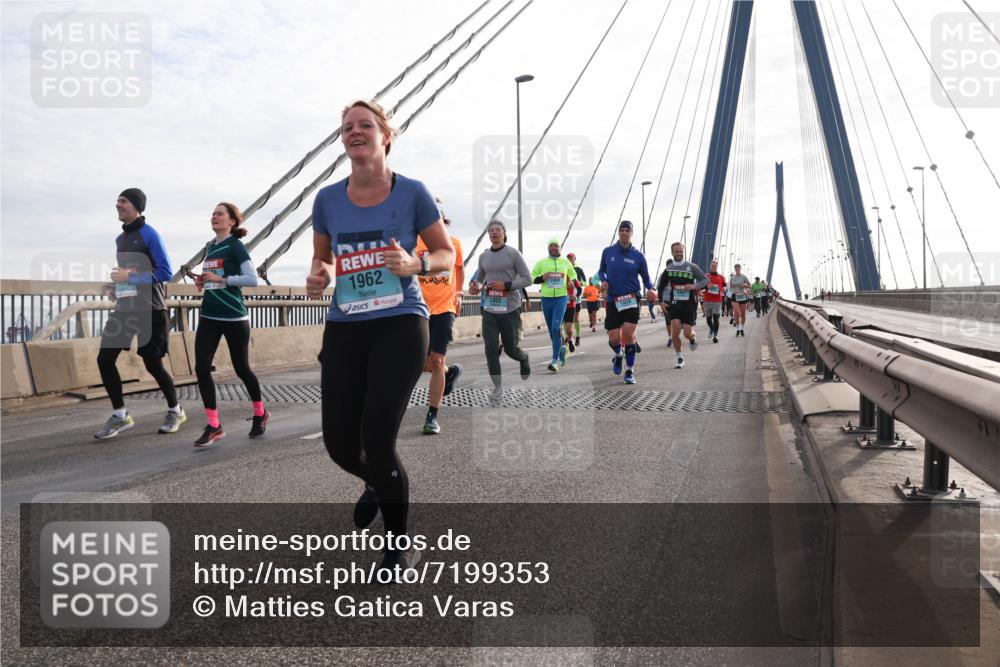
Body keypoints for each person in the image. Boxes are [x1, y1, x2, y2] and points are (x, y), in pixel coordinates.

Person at [307, 99, 455, 576]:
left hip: (400, 322)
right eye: (347, 126)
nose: (355, 131)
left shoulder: (411, 192)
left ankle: (398, 546)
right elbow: (324, 259)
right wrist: (319, 275)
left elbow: (445, 253)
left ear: (385, 136)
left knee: (377, 434)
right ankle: (377, 482)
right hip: (346, 324)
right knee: (339, 445)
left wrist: (416, 264)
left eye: (365, 125)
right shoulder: (327, 200)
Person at [95, 189, 186, 440]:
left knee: (153, 364)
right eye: (117, 201)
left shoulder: (150, 234)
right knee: (104, 360)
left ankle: (175, 410)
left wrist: (130, 277)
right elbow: (129, 274)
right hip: (125, 307)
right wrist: (117, 287)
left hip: (151, 309)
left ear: (136, 207)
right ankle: (120, 416)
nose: (117, 205)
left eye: (122, 201)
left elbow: (165, 272)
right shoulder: (119, 240)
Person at [190, 202, 268, 447]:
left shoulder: (236, 247)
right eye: (212, 213)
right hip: (209, 316)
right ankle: (214, 425)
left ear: (232, 221)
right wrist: (205, 282)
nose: (214, 217)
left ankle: (260, 412)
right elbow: (215, 279)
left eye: (219, 214)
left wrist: (222, 279)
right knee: (202, 368)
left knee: (242, 369)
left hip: (234, 317)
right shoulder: (211, 247)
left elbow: (252, 280)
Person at [469, 220, 532, 400]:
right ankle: (497, 387)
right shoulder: (484, 257)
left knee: (511, 349)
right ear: (489, 235)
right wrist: (475, 287)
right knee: (490, 349)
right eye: (492, 230)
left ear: (504, 234)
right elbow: (480, 279)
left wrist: (507, 285)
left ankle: (523, 358)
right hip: (490, 309)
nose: (494, 233)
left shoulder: (513, 253)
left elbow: (528, 279)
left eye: (498, 230)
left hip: (510, 308)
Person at [416, 213, 464, 435]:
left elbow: (459, 269)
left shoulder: (453, 244)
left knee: (436, 361)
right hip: (418, 308)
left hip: (445, 308)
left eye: (440, 221)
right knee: (421, 364)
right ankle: (449, 373)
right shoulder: (414, 243)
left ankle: (432, 416)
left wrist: (459, 292)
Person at [598, 220, 656, 385]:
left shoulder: (638, 256)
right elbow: (601, 270)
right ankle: (618, 354)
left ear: (631, 233)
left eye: (627, 230)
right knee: (614, 338)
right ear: (618, 233)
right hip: (613, 299)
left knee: (629, 335)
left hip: (631, 298)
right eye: (622, 230)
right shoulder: (608, 252)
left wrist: (651, 288)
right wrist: (604, 280)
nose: (624, 233)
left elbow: (646, 277)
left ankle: (629, 370)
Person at [657, 242, 708, 369]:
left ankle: (692, 337)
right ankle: (680, 357)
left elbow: (706, 280)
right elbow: (661, 287)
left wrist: (694, 286)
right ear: (672, 252)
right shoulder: (668, 269)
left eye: (681, 251)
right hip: (674, 304)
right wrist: (661, 301)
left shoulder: (691, 267)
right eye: (676, 251)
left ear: (683, 252)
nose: (679, 254)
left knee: (686, 333)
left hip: (689, 304)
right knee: (675, 330)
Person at [531, 239, 575, 372]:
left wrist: (571, 283)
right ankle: (562, 348)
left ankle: (554, 361)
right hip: (546, 299)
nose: (554, 248)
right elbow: (531, 277)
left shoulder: (565, 262)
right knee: (552, 332)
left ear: (560, 248)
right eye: (551, 246)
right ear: (548, 248)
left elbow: (573, 276)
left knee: (556, 328)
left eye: (556, 246)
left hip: (561, 299)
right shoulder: (542, 263)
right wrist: (541, 278)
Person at [702, 259, 727, 343]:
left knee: (716, 317)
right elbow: (701, 287)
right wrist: (707, 287)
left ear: (717, 267)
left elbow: (724, 287)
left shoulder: (721, 277)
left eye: (715, 266)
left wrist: (724, 289)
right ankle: (712, 329)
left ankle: (715, 335)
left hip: (717, 300)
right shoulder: (706, 276)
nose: (713, 267)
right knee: (708, 319)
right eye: (712, 265)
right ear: (710, 266)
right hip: (707, 300)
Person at [566, 252, 587, 347]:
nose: (569, 260)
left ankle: (578, 336)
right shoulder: (564, 269)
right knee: (566, 320)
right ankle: (568, 336)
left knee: (576, 318)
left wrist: (579, 282)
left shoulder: (579, 270)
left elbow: (586, 282)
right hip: (566, 297)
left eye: (571, 258)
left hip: (576, 297)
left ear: (574, 259)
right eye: (568, 258)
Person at [561, 264, 582, 354]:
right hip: (559, 306)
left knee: (569, 329)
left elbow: (580, 289)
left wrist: (576, 296)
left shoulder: (572, 278)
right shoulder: (557, 277)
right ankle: (564, 346)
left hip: (570, 305)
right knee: (558, 329)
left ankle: (569, 339)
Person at [730, 264, 751, 336]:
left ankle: (741, 329)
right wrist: (733, 290)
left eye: (738, 269)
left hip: (742, 296)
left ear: (740, 269)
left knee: (743, 314)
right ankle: (737, 329)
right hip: (735, 296)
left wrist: (745, 286)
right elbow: (730, 287)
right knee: (737, 313)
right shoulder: (732, 278)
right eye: (736, 269)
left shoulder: (744, 277)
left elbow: (750, 285)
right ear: (735, 269)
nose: (737, 270)